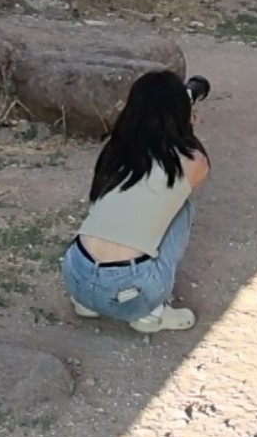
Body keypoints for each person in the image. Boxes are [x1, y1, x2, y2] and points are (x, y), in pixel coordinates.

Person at [61, 70, 210, 333]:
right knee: (181, 209)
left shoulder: (116, 151)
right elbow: (191, 175)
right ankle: (151, 313)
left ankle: (87, 302)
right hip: (130, 290)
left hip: (75, 273)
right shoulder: (192, 162)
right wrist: (185, 129)